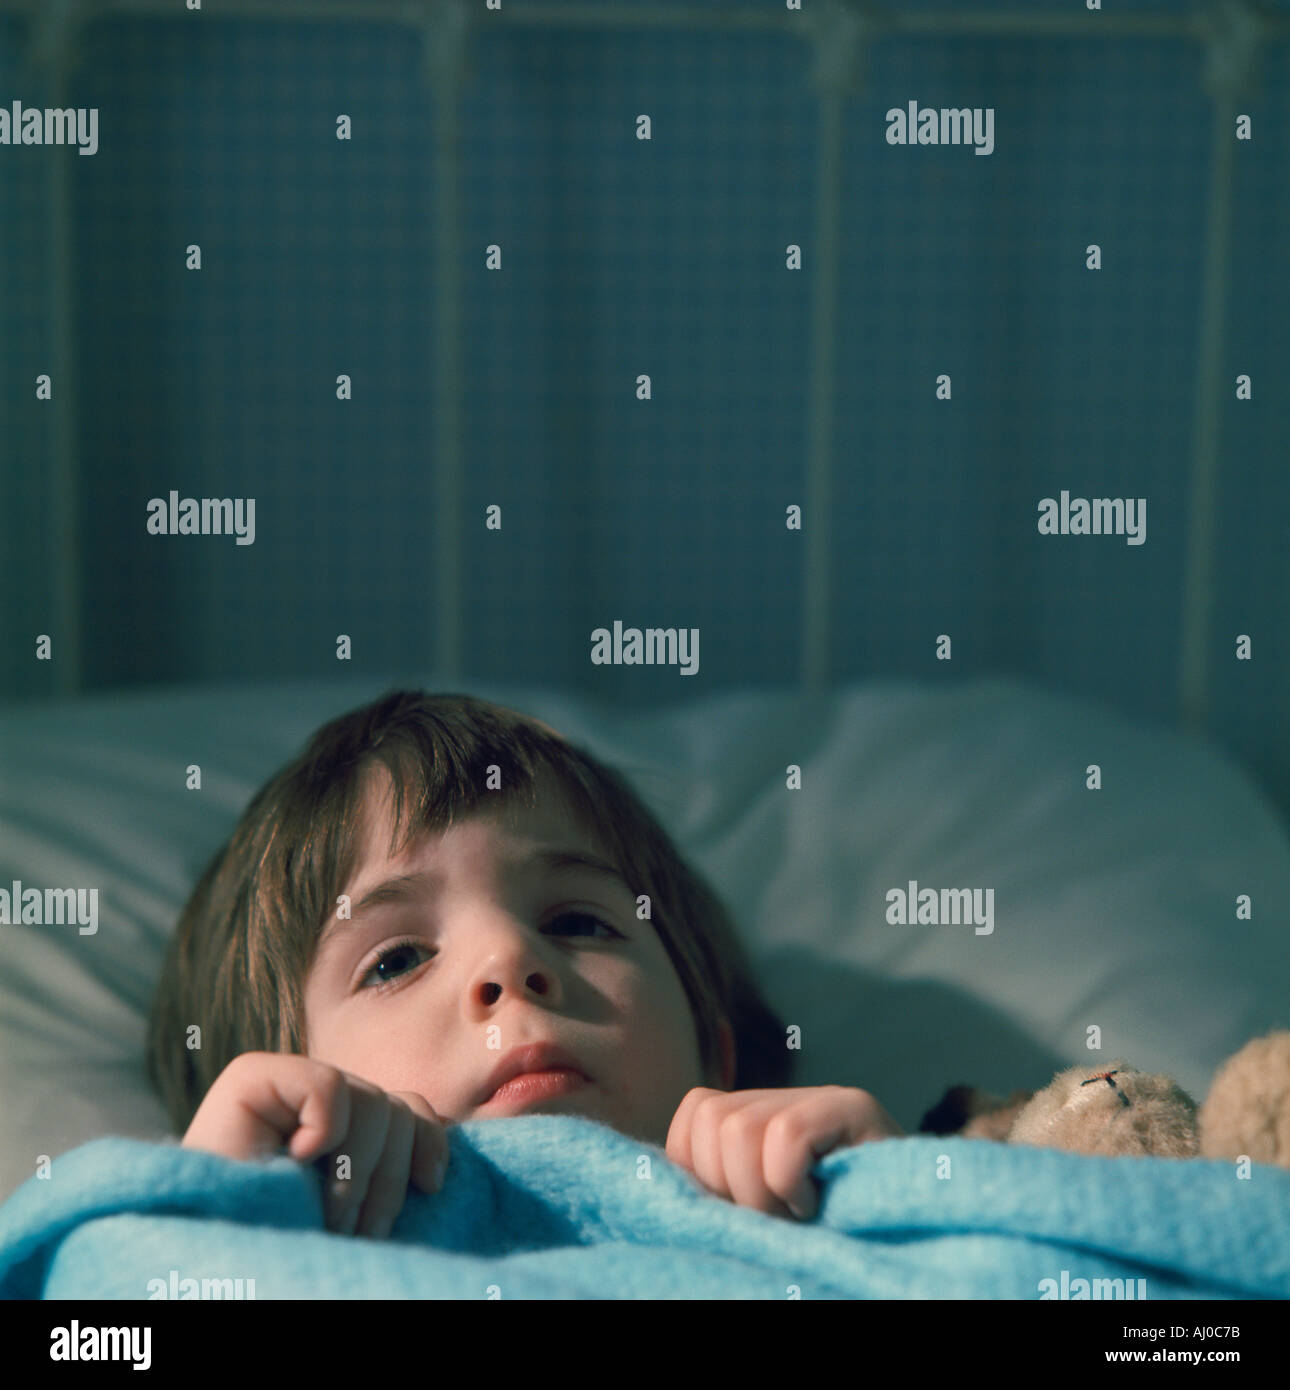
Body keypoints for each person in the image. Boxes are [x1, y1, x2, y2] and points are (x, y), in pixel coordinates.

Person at [147, 690, 902, 1240]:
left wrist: (894, 1202)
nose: (508, 960)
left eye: (579, 922)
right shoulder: (268, 1253)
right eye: (397, 960)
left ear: (719, 1054)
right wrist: (213, 1210)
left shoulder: (802, 1223)